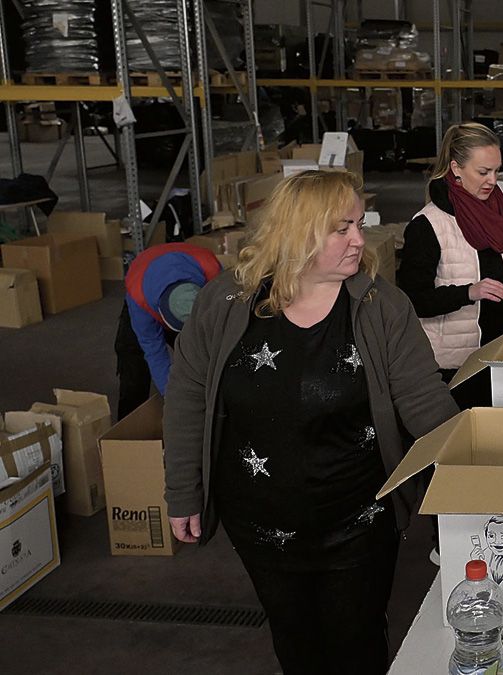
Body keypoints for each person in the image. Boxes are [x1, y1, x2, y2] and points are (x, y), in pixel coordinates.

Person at [163, 170, 460, 675]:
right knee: (294, 639)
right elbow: (187, 400)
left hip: (358, 522)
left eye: (358, 224)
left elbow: (424, 402)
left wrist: (478, 469)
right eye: (341, 228)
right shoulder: (226, 303)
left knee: (358, 641)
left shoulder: (380, 307)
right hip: (259, 523)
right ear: (298, 232)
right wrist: (182, 493)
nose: (359, 240)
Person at [398, 122, 503, 409]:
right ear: (456, 169)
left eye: (497, 171)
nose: (492, 181)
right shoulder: (428, 225)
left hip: (502, 350)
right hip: (455, 365)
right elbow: (414, 299)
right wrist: (469, 292)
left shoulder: (497, 209)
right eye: (483, 172)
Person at [115, 242, 222, 419]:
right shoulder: (139, 298)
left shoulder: (212, 272)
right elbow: (154, 351)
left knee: (204, 352)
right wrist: (173, 400)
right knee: (132, 363)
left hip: (194, 286)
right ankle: (127, 432)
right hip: (144, 287)